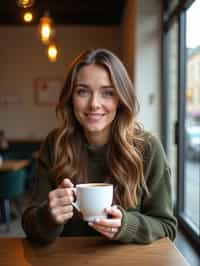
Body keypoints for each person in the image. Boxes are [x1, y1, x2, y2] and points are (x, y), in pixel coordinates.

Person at [22, 48, 177, 244]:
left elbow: (167, 227)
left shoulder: (147, 148)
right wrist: (48, 216)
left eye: (107, 93)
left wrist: (127, 225)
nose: (94, 104)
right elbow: (29, 224)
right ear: (71, 98)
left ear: (120, 99)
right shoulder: (55, 144)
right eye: (82, 91)